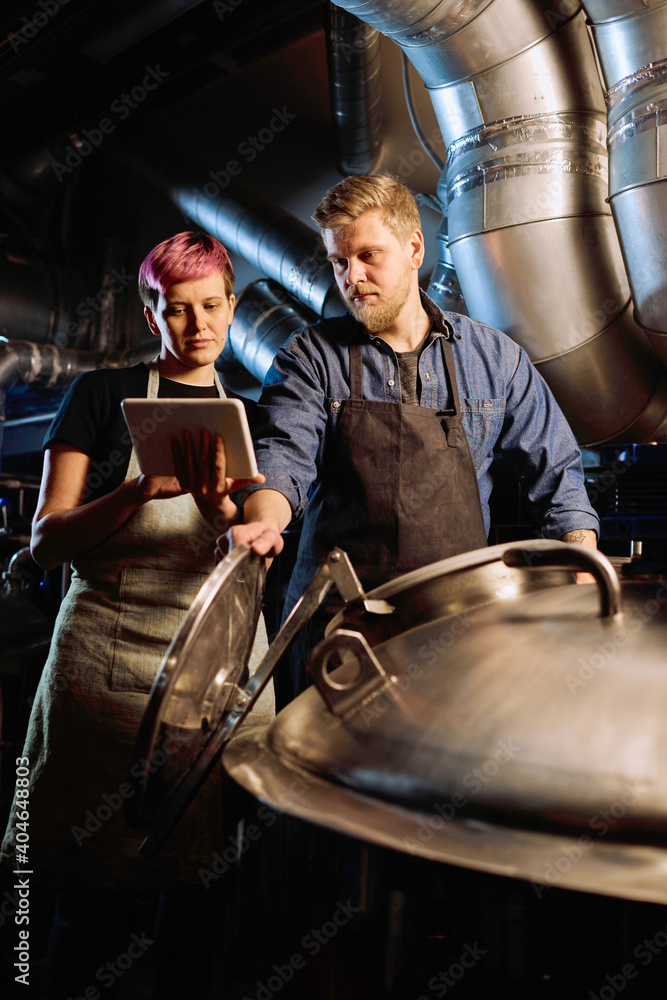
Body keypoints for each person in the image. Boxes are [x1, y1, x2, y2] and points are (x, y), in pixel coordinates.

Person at [0, 231, 274, 999]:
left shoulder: (251, 417)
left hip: (209, 686)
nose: (197, 327)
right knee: (90, 902)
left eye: (212, 307)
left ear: (231, 305)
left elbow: (255, 543)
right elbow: (49, 542)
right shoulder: (98, 397)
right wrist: (138, 491)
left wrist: (225, 508)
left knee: (198, 905)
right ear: (150, 312)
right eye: (177, 310)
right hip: (104, 678)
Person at [229, 174, 600, 707]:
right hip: (338, 636)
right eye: (339, 262)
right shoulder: (310, 357)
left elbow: (559, 479)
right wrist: (262, 526)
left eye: (367, 255)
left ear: (414, 248)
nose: (352, 277)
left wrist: (583, 566)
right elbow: (282, 457)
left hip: (456, 631)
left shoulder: (495, 361)